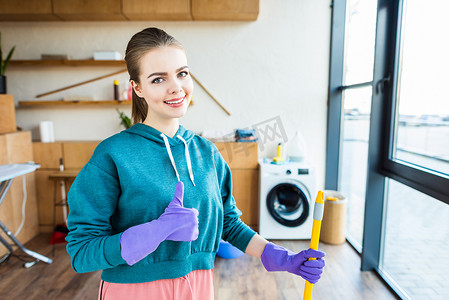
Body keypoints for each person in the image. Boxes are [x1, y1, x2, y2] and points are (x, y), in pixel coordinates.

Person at [66, 27, 325, 300]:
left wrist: (275, 254)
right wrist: (154, 232)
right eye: (158, 79)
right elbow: (82, 252)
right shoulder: (113, 154)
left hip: (199, 287)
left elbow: (227, 222)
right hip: (135, 290)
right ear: (137, 88)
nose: (176, 87)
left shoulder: (208, 153)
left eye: (182, 73)